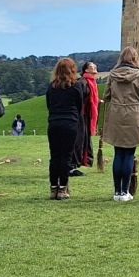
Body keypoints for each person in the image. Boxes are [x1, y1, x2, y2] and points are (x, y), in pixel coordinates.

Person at [102, 46, 139, 202]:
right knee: (129, 153)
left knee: (118, 153)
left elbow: (107, 95)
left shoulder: (113, 75)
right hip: (134, 114)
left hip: (116, 113)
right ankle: (125, 191)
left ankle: (117, 191)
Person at [44, 58, 87, 200]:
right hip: (70, 124)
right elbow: (80, 105)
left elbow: (49, 105)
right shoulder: (76, 86)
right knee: (66, 157)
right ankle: (63, 188)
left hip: (54, 123)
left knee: (55, 156)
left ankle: (53, 188)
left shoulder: (52, 86)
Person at [79, 61, 102, 171]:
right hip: (82, 115)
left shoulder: (92, 82)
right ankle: (82, 160)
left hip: (88, 115)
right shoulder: (83, 82)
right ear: (86, 70)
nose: (95, 67)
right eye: (92, 66)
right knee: (82, 138)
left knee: (87, 138)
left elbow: (91, 98)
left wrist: (97, 101)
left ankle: (87, 160)